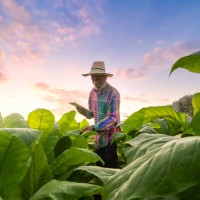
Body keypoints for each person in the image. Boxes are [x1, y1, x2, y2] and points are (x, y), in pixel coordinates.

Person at [76, 61, 121, 168]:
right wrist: (83, 112)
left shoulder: (113, 93)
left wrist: (93, 127)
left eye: (98, 78)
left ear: (105, 77)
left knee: (110, 168)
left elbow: (113, 117)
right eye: (93, 78)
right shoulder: (92, 92)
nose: (95, 81)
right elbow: (92, 114)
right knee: (98, 167)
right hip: (98, 138)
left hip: (110, 137)